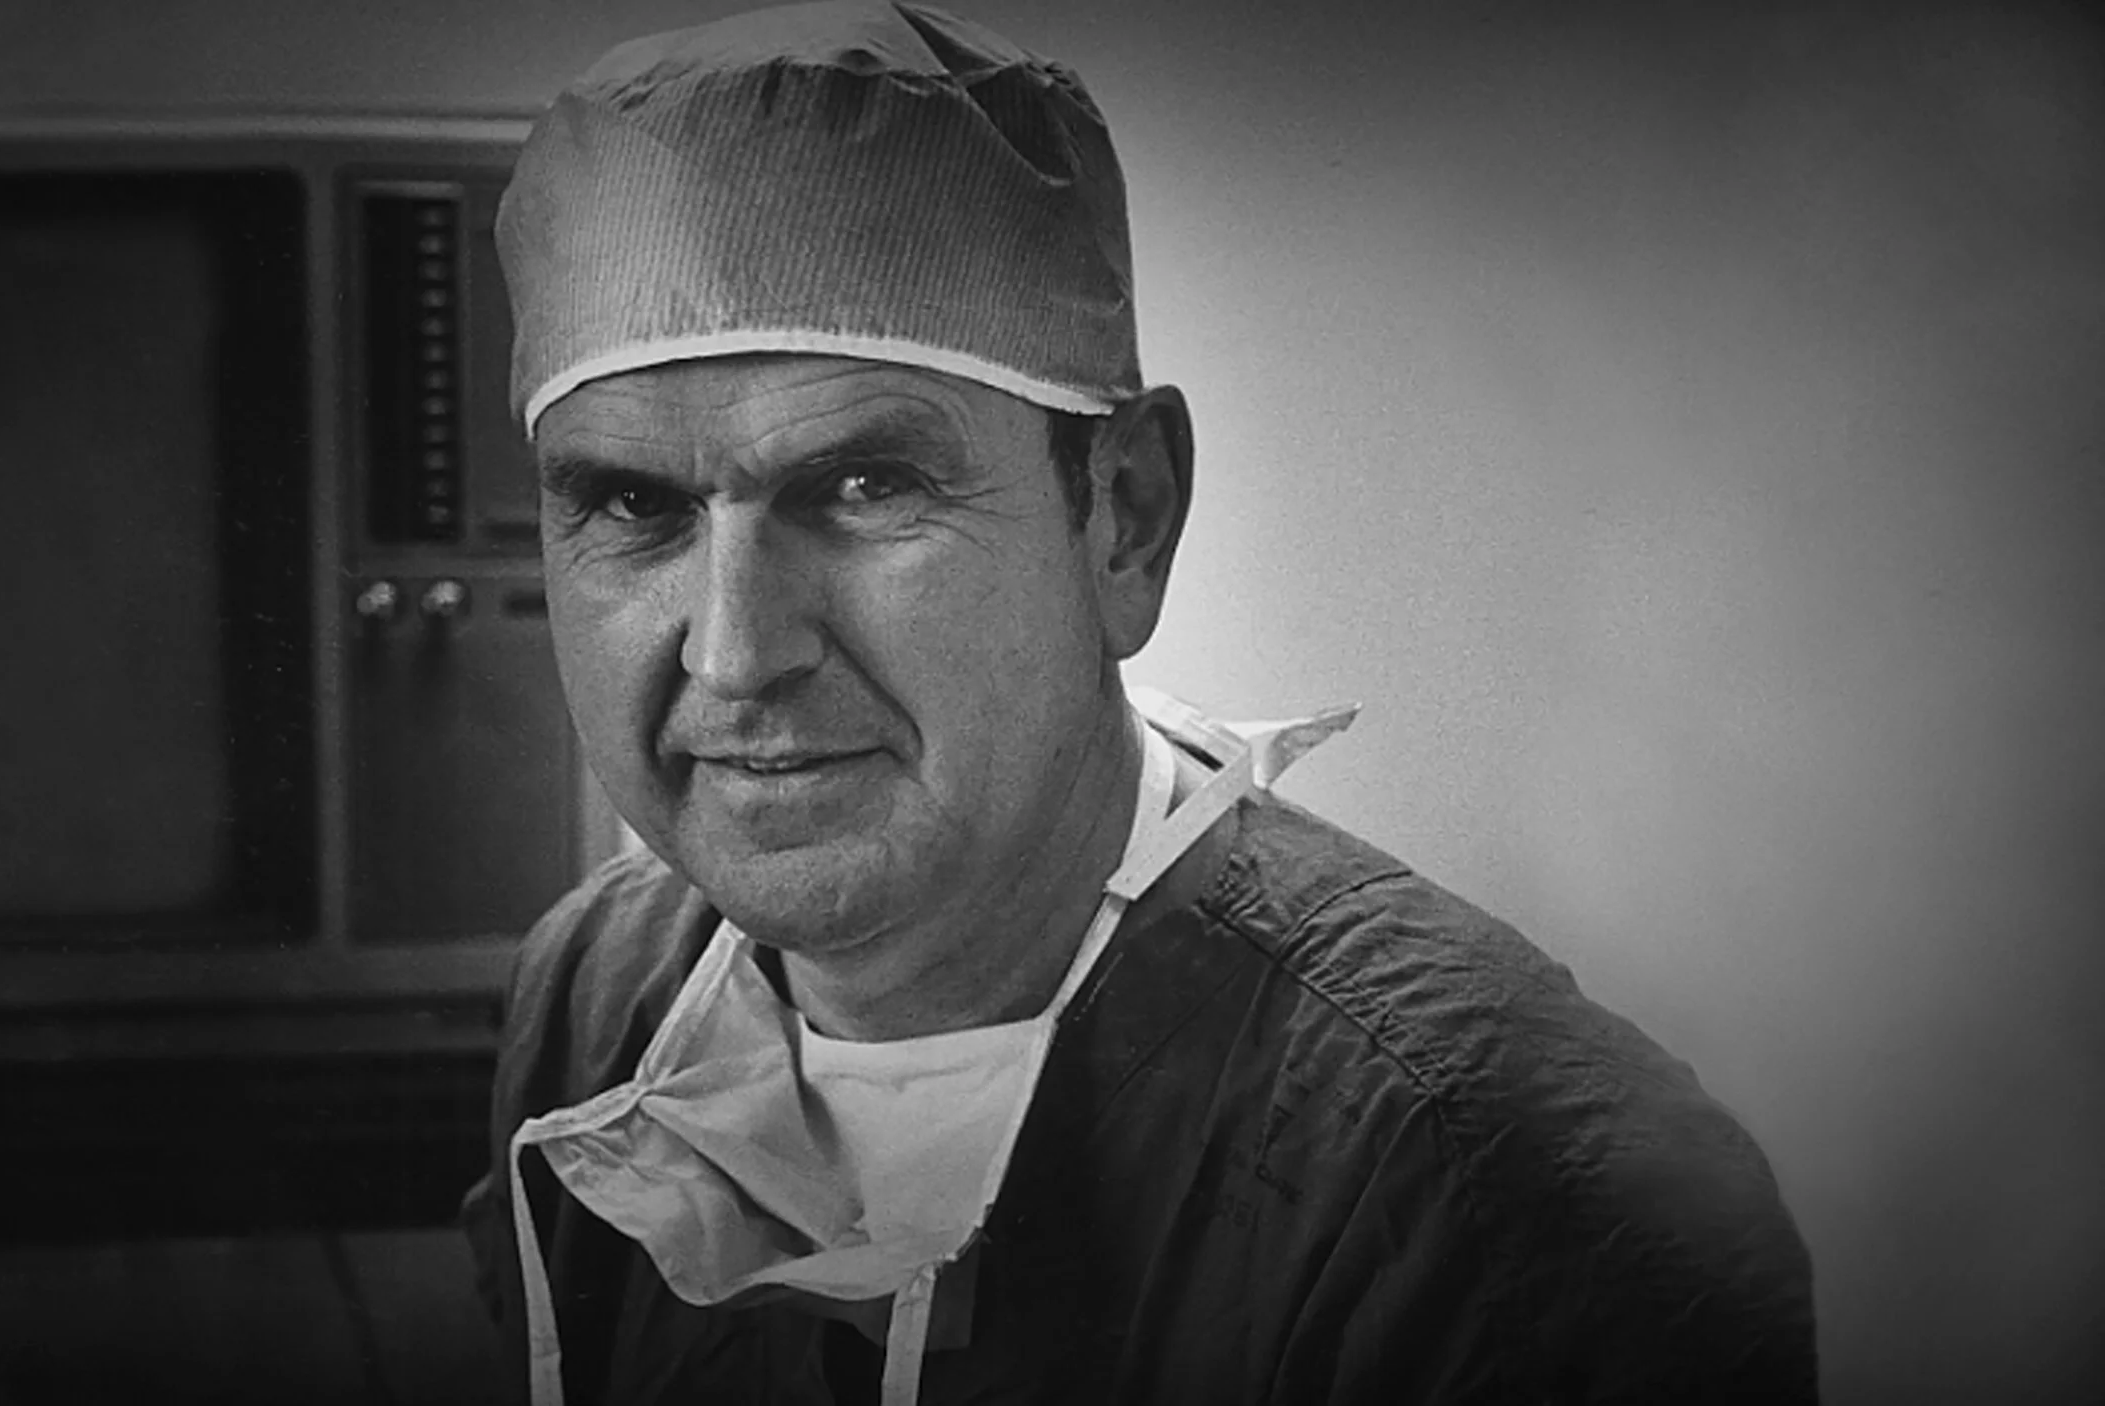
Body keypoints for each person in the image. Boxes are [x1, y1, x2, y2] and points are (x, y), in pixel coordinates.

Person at [459, 4, 1818, 1403]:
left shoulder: (1502, 1187)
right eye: (632, 504)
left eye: (866, 487)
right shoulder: (596, 987)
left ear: (1125, 519)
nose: (737, 655)